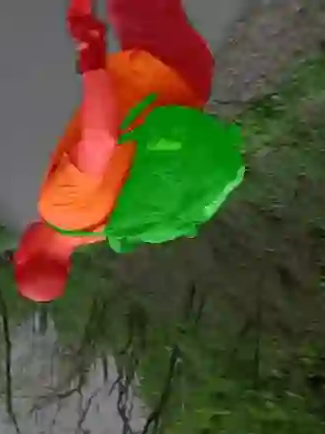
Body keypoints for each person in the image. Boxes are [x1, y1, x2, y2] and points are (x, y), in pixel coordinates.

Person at [14, 0, 215, 302]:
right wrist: (89, 47)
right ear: (23, 257)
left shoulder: (103, 231)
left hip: (182, 90)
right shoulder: (59, 209)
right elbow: (100, 140)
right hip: (161, 68)